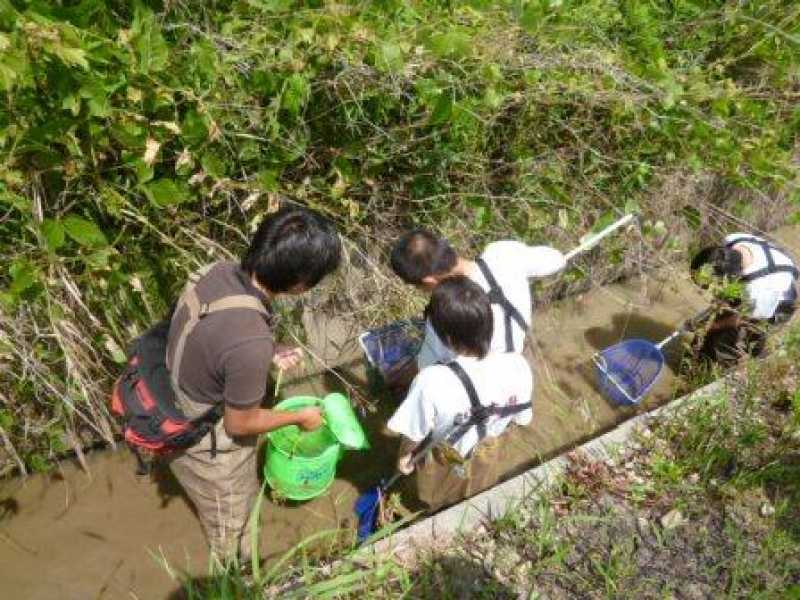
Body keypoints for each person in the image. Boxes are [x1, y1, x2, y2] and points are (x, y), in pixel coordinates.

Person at [165, 205, 341, 564]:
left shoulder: (215, 271)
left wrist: (265, 351)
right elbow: (239, 423)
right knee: (234, 530)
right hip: (203, 441)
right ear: (300, 284)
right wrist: (300, 418)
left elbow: (210, 334)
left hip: (167, 398)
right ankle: (239, 578)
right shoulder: (248, 342)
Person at [386, 276, 533, 511]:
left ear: (448, 338)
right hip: (488, 450)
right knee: (477, 490)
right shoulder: (519, 365)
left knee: (434, 497)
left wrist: (404, 459)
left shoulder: (431, 381)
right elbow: (521, 420)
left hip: (446, 455)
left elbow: (413, 436)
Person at [388, 229, 565, 380]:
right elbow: (557, 259)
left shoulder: (446, 311)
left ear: (428, 280)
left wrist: (397, 377)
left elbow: (425, 368)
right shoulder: (502, 253)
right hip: (520, 367)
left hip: (485, 381)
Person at [690, 232, 798, 364]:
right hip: (768, 272)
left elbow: (739, 318)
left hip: (780, 302)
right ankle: (695, 360)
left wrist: (711, 326)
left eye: (709, 286)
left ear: (729, 280)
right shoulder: (731, 241)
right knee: (704, 335)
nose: (707, 290)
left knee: (725, 345)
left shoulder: (756, 291)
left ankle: (741, 365)